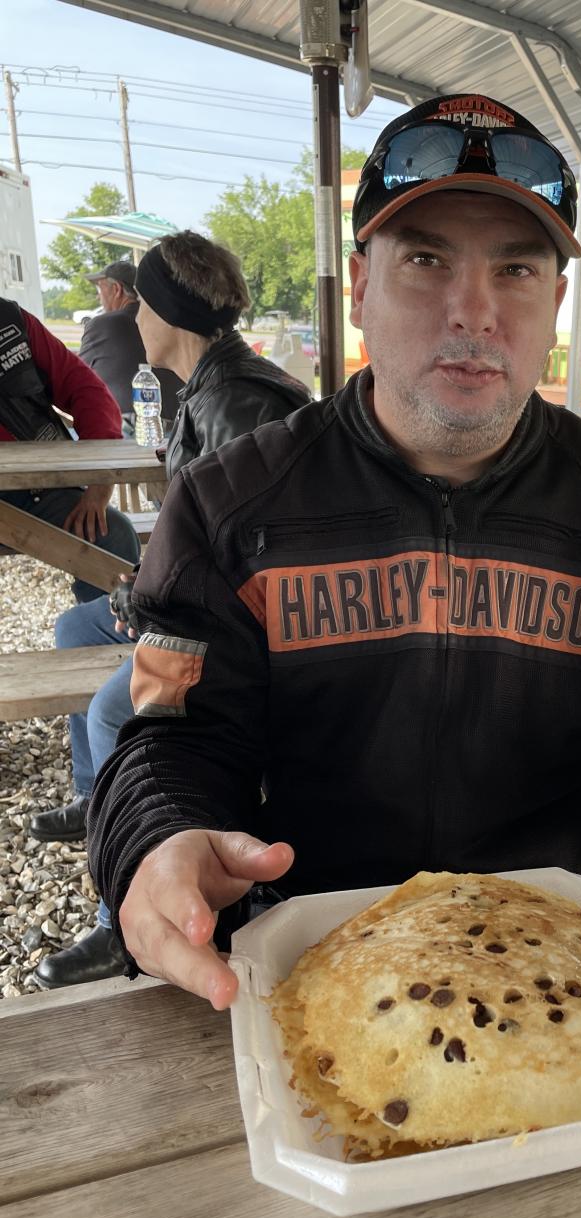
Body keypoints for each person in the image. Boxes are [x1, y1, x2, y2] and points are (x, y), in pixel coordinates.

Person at [88, 93, 581, 1011]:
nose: (473, 312)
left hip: (569, 972)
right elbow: (179, 740)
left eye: (516, 269)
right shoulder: (228, 504)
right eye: (428, 260)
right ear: (361, 286)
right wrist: (161, 835)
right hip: (317, 969)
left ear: (557, 302)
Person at [32, 231, 311, 989]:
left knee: (108, 711)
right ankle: (99, 803)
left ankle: (119, 918)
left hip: (231, 633)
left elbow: (253, 561)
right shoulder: (212, 388)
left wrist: (153, 602)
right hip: (187, 603)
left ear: (168, 314)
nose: (133, 322)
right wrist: (142, 591)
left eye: (142, 308)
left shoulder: (240, 405)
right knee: (73, 627)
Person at [0, 299, 141, 601]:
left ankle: (106, 628)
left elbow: (85, 388)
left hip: (35, 487)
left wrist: (100, 481)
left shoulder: (9, 320)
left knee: (113, 536)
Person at [78, 259, 179, 437]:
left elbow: (78, 379)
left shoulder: (101, 325)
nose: (98, 297)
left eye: (100, 289)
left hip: (132, 429)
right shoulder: (168, 321)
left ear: (116, 289)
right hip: (180, 427)